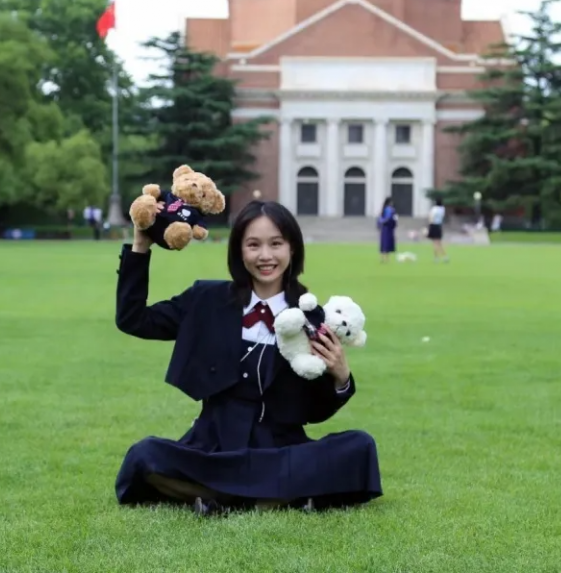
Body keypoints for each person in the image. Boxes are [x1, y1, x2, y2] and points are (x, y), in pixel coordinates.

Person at [113, 199, 382, 516]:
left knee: (360, 446)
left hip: (281, 451)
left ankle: (218, 497)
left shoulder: (312, 318)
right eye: (253, 245)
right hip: (212, 448)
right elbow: (134, 319)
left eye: (276, 244)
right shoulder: (206, 299)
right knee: (144, 455)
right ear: (239, 251)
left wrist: (340, 378)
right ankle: (274, 498)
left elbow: (315, 411)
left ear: (292, 249)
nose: (265, 256)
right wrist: (141, 244)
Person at [427, 198, 448, 262]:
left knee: (435, 243)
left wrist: (429, 225)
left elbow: (431, 217)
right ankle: (444, 256)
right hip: (439, 225)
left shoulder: (434, 209)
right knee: (439, 242)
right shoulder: (442, 209)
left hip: (433, 225)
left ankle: (436, 257)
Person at [377, 197, 397, 263]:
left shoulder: (384, 209)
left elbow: (380, 219)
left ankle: (383, 258)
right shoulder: (389, 209)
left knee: (383, 242)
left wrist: (380, 224)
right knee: (386, 243)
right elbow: (389, 218)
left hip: (384, 227)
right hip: (388, 228)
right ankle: (386, 259)